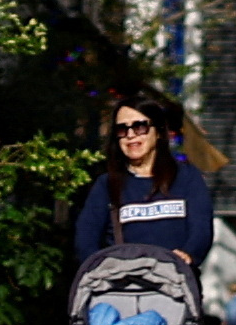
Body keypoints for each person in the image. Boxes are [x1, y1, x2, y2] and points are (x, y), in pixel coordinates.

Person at [69, 97, 214, 282]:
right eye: (122, 129)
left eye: (140, 127)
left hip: (174, 285)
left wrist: (188, 254)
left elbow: (201, 230)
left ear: (159, 132)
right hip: (120, 287)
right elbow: (85, 239)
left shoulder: (187, 178)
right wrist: (102, 270)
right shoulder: (106, 185)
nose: (131, 135)